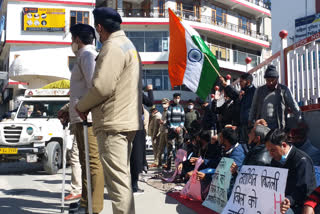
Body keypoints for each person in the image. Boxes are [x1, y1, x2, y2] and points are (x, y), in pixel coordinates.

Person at [75, 7, 141, 214]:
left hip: (113, 123)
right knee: (122, 180)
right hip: (126, 120)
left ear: (100, 27)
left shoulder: (112, 47)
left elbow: (102, 87)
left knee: (118, 185)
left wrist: (81, 106)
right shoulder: (129, 46)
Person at [58, 23, 104, 214]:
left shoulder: (87, 55)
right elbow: (81, 91)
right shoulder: (82, 56)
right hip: (80, 117)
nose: (71, 43)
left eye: (71, 39)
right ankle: (86, 203)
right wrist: (69, 109)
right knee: (85, 163)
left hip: (89, 119)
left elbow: (95, 87)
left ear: (77, 39)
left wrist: (79, 110)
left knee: (93, 163)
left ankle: (94, 208)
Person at [265, 129, 316, 214]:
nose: (270, 154)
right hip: (280, 201)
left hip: (299, 206)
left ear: (284, 145)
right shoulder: (275, 160)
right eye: (268, 151)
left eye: (273, 150)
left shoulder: (302, 160)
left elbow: (303, 191)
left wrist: (288, 200)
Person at [249, 64, 301, 130]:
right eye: (268, 80)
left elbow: (293, 105)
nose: (270, 82)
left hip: (278, 127)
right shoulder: (259, 90)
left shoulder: (283, 90)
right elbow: (253, 106)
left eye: (272, 80)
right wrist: (250, 119)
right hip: (262, 126)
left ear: (277, 79)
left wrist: (300, 120)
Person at [130, 84, 153, 194]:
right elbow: (150, 102)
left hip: (123, 124)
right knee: (136, 156)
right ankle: (133, 186)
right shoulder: (136, 90)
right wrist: (150, 90)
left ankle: (128, 185)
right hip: (136, 126)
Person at [220, 73, 256, 143]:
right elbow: (235, 95)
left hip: (250, 126)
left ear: (248, 82)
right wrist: (225, 85)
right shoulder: (244, 92)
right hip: (241, 125)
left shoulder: (254, 92)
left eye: (241, 81)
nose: (240, 84)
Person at [166, 93, 185, 171]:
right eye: (176, 98)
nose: (177, 99)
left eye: (178, 98)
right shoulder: (170, 108)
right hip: (171, 131)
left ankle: (179, 166)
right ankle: (169, 166)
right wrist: (174, 128)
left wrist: (179, 127)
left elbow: (183, 119)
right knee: (170, 148)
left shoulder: (181, 108)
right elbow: (168, 120)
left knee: (180, 148)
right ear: (173, 98)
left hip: (179, 130)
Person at [158, 98, 170, 168]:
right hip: (162, 131)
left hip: (167, 132)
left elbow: (169, 120)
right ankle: (159, 163)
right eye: (162, 103)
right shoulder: (163, 112)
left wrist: (164, 122)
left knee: (168, 149)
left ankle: (168, 164)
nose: (163, 105)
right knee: (160, 148)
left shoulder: (169, 111)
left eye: (165, 103)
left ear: (168, 104)